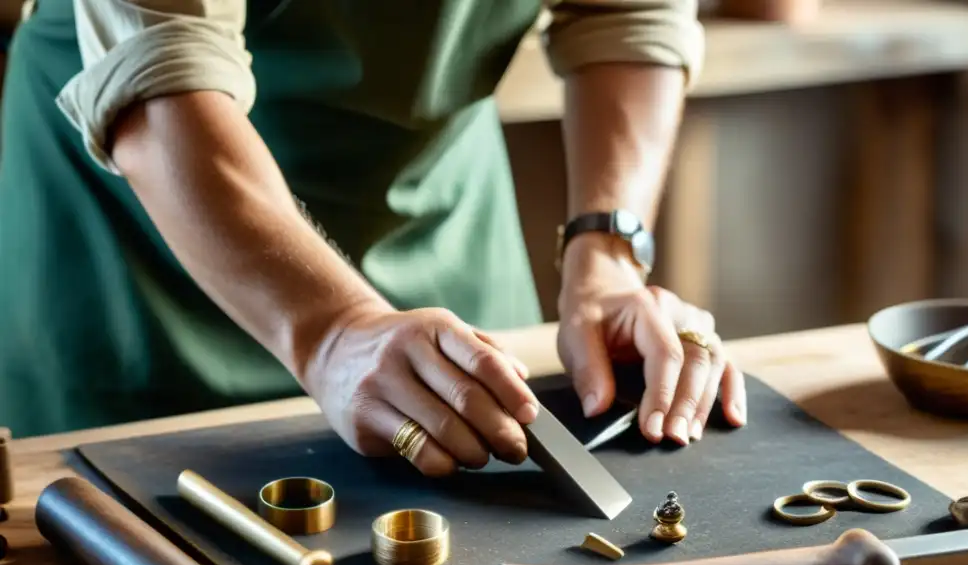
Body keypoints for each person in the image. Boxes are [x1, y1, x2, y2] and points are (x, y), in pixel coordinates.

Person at [0, 0, 746, 474]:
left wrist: (607, 253)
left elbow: (627, 13)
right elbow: (158, 73)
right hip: (143, 231)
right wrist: (332, 332)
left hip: (435, 208)